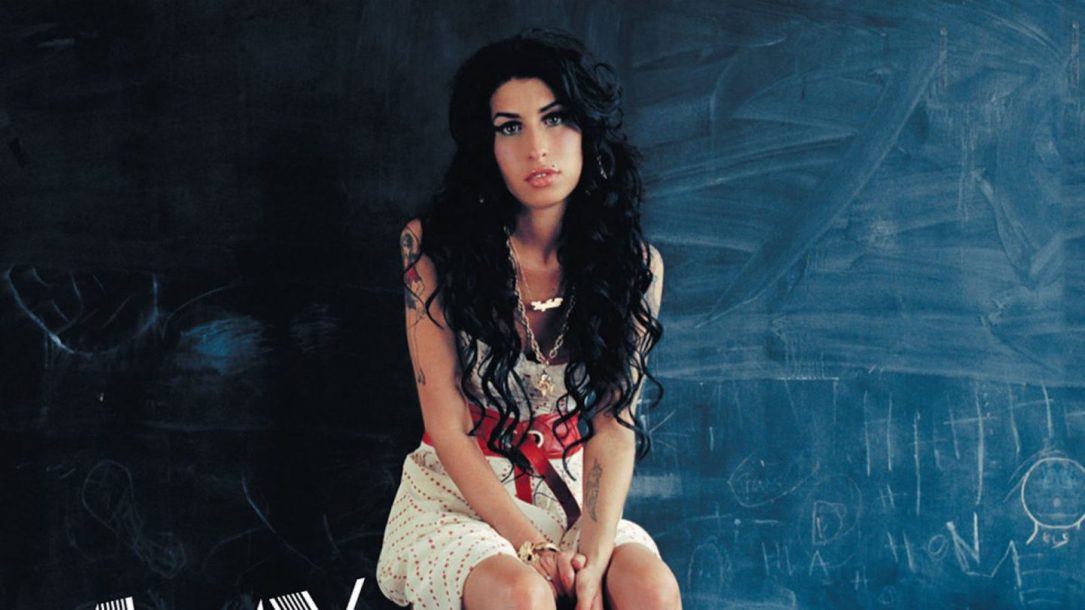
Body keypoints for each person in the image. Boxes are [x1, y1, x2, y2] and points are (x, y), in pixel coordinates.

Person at [377, 29, 681, 610]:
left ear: (587, 131)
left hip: (568, 494)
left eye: (556, 119)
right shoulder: (432, 249)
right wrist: (531, 546)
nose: (537, 148)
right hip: (459, 495)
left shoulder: (635, 267)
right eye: (510, 127)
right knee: (525, 596)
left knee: (651, 588)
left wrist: (591, 557)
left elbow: (612, 425)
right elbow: (446, 424)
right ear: (486, 146)